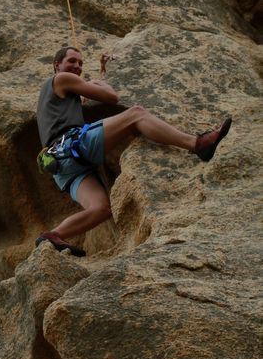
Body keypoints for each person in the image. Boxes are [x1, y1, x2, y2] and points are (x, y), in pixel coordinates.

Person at [35, 45, 232, 256]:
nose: (77, 66)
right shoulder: (61, 79)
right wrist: (96, 81)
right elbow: (111, 96)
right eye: (72, 61)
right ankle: (197, 144)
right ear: (57, 65)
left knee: (100, 209)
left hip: (61, 166)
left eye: (80, 63)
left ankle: (53, 236)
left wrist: (100, 71)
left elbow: (86, 95)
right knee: (136, 114)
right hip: (73, 147)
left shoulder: (55, 96)